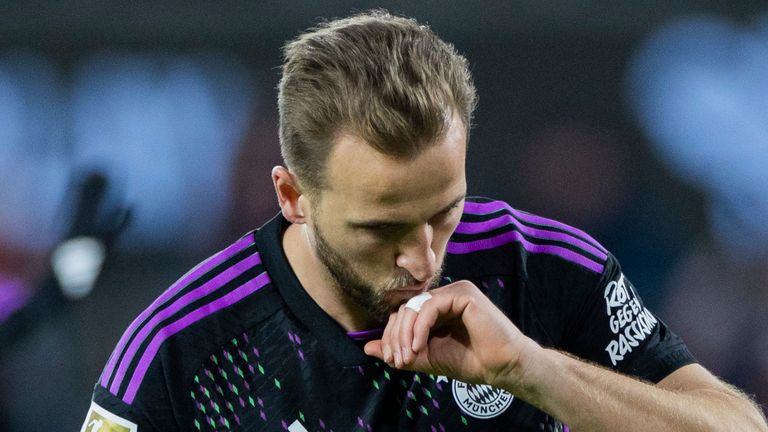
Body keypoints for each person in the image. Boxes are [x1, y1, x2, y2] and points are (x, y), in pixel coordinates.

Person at [82, 10, 768, 432]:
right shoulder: (182, 350)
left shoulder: (548, 269)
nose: (422, 259)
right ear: (293, 197)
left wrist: (538, 374)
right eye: (379, 229)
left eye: (444, 212)